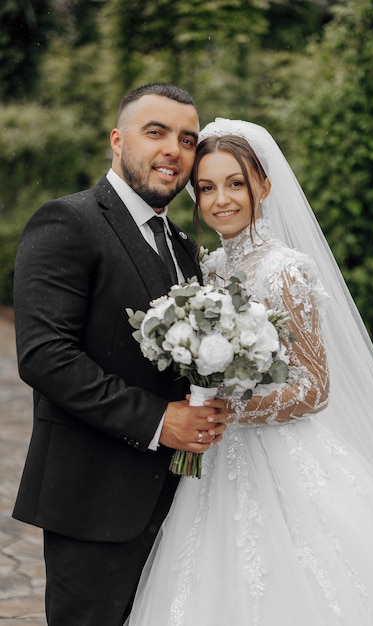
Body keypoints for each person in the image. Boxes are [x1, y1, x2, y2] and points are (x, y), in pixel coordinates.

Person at [125, 118, 373, 625]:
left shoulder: (285, 269)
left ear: (264, 185)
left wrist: (228, 410)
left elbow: (314, 388)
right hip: (214, 458)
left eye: (236, 184)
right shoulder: (209, 267)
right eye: (207, 187)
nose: (222, 200)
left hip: (278, 454)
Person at [12, 84, 227, 626]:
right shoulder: (67, 222)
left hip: (178, 500)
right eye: (155, 132)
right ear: (117, 139)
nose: (173, 149)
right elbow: (45, 356)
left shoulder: (181, 244)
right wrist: (160, 420)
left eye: (186, 138)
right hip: (95, 497)